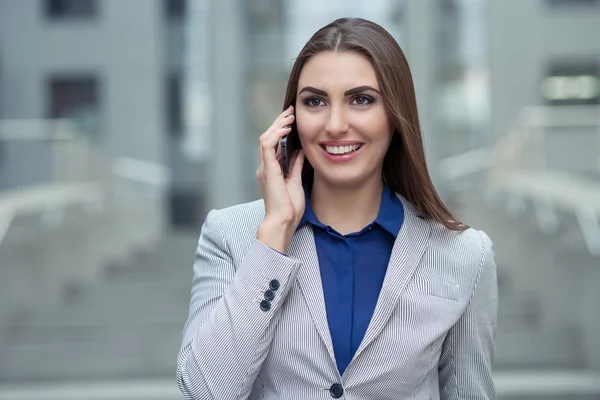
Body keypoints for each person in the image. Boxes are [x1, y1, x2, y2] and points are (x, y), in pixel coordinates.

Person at [177, 17, 497, 400]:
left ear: (396, 115)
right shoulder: (229, 234)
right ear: (290, 120)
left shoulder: (464, 255)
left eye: (361, 99)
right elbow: (204, 392)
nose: (335, 124)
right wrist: (274, 235)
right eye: (315, 101)